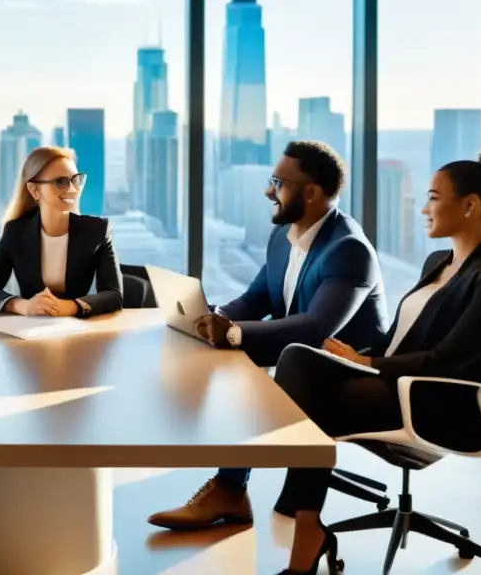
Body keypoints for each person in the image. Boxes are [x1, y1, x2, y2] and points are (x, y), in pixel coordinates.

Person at [269, 147, 481, 574]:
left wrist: (368, 365)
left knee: (307, 388)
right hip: (399, 385)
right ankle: (304, 525)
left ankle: (302, 528)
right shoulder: (438, 263)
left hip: (439, 404)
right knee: (302, 361)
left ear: (469, 206)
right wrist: (359, 358)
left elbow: (448, 360)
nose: (424, 208)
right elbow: (398, 339)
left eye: (433, 197)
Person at [147, 140, 389, 531]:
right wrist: (213, 318)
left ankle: (228, 490)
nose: (267, 191)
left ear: (310, 192)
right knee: (228, 360)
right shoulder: (285, 237)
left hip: (349, 374)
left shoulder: (348, 249)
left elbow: (315, 328)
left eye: (278, 182)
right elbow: (258, 297)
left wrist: (234, 334)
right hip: (300, 359)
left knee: (244, 374)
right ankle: (230, 490)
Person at [0, 146, 122, 318]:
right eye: (60, 182)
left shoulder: (97, 231)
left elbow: (114, 295)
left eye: (76, 180)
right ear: (34, 190)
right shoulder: (16, 232)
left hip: (78, 331)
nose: (73, 189)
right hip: (30, 330)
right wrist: (24, 306)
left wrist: (70, 307)